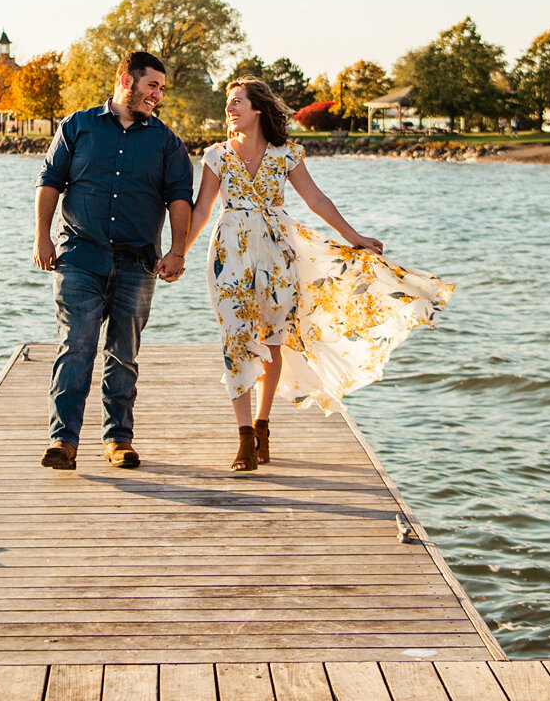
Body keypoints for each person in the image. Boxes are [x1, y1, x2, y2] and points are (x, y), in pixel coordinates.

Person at [185, 77, 453, 472]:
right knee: (235, 340)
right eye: (229, 103)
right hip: (230, 255)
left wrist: (355, 237)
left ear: (257, 109)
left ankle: (263, 426)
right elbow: (202, 210)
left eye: (237, 101)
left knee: (272, 341)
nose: (230, 109)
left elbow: (316, 200)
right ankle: (243, 437)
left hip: (278, 253)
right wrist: (177, 253)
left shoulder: (286, 154)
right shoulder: (216, 156)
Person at [33, 51, 194, 471]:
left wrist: (178, 251)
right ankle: (63, 441)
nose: (157, 95)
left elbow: (179, 198)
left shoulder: (166, 142)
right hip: (79, 257)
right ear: (127, 78)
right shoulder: (78, 126)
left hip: (137, 263)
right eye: (152, 85)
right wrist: (41, 238)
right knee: (77, 347)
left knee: (123, 354)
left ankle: (118, 439)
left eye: (161, 88)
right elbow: (50, 181)